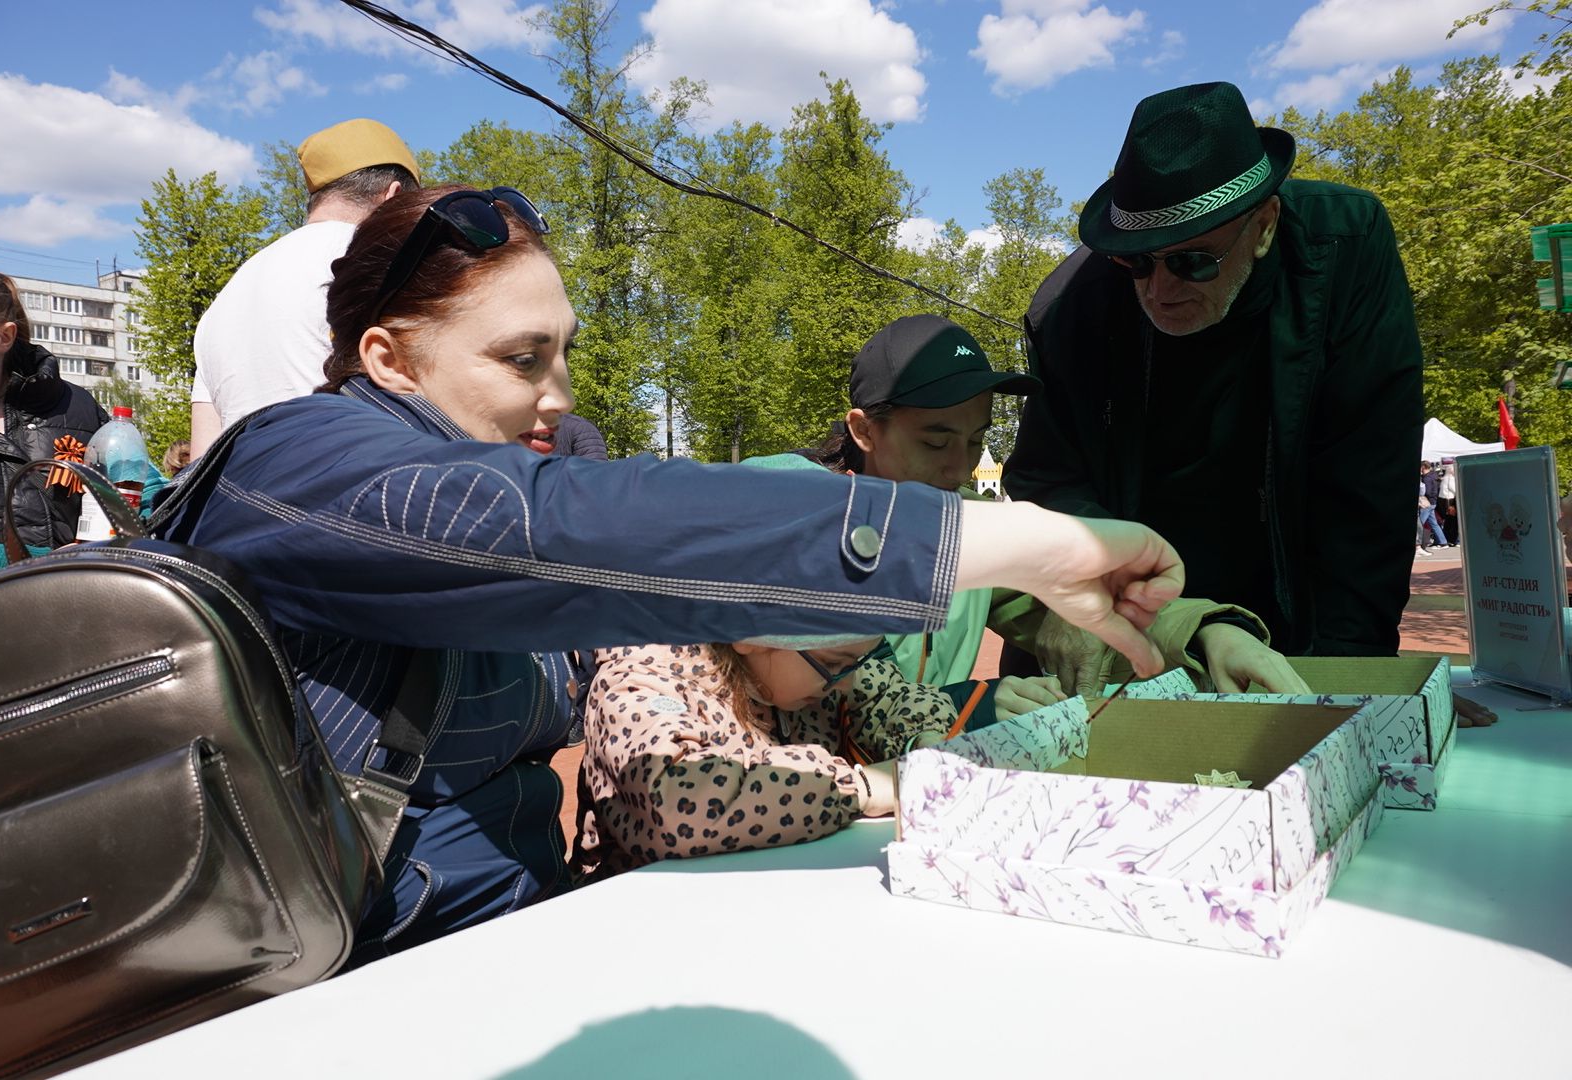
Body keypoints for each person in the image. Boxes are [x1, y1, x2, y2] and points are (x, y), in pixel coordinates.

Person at [151, 184, 1186, 956]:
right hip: (331, 1000)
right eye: (519, 360)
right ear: (386, 359)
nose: (556, 396)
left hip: (504, 953)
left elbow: (664, 584)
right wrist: (1007, 542)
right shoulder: (297, 459)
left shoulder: (510, 472)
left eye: (561, 354)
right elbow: (571, 529)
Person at [1002, 81, 1423, 688]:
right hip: (1132, 622)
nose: (1160, 291)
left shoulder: (1345, 249)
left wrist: (1351, 669)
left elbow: (1369, 474)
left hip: (1290, 613)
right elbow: (1050, 480)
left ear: (1265, 224)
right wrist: (1100, 600)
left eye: (1193, 261)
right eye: (1137, 262)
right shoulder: (1070, 305)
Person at [752, 313, 1306, 702]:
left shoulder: (968, 528)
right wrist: (969, 709)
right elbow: (804, 696)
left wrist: (1208, 633)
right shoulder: (784, 507)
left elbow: (1084, 599)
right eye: (936, 441)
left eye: (975, 441)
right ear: (864, 430)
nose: (959, 469)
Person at [574, 632, 954, 874]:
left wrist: (923, 738)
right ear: (752, 634)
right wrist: (859, 788)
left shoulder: (800, 664)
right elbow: (676, 804)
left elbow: (885, 695)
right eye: (836, 666)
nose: (846, 683)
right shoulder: (637, 684)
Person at [189, 118, 420, 454]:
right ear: (393, 197)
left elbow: (201, 456)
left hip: (241, 499)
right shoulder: (377, 262)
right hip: (351, 493)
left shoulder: (229, 295)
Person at [0, 261, 107, 585]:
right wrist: (46, 568)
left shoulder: (76, 405)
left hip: (78, 617)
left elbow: (140, 489)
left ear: (4, 336)